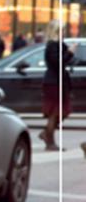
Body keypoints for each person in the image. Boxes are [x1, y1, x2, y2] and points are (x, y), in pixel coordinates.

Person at [39, 19, 76, 152]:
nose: (64, 33)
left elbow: (66, 60)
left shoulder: (59, 45)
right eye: (62, 30)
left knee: (63, 112)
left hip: (59, 81)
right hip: (54, 83)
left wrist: (70, 53)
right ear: (56, 31)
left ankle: (46, 134)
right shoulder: (52, 45)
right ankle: (50, 142)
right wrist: (70, 52)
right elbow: (58, 63)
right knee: (55, 113)